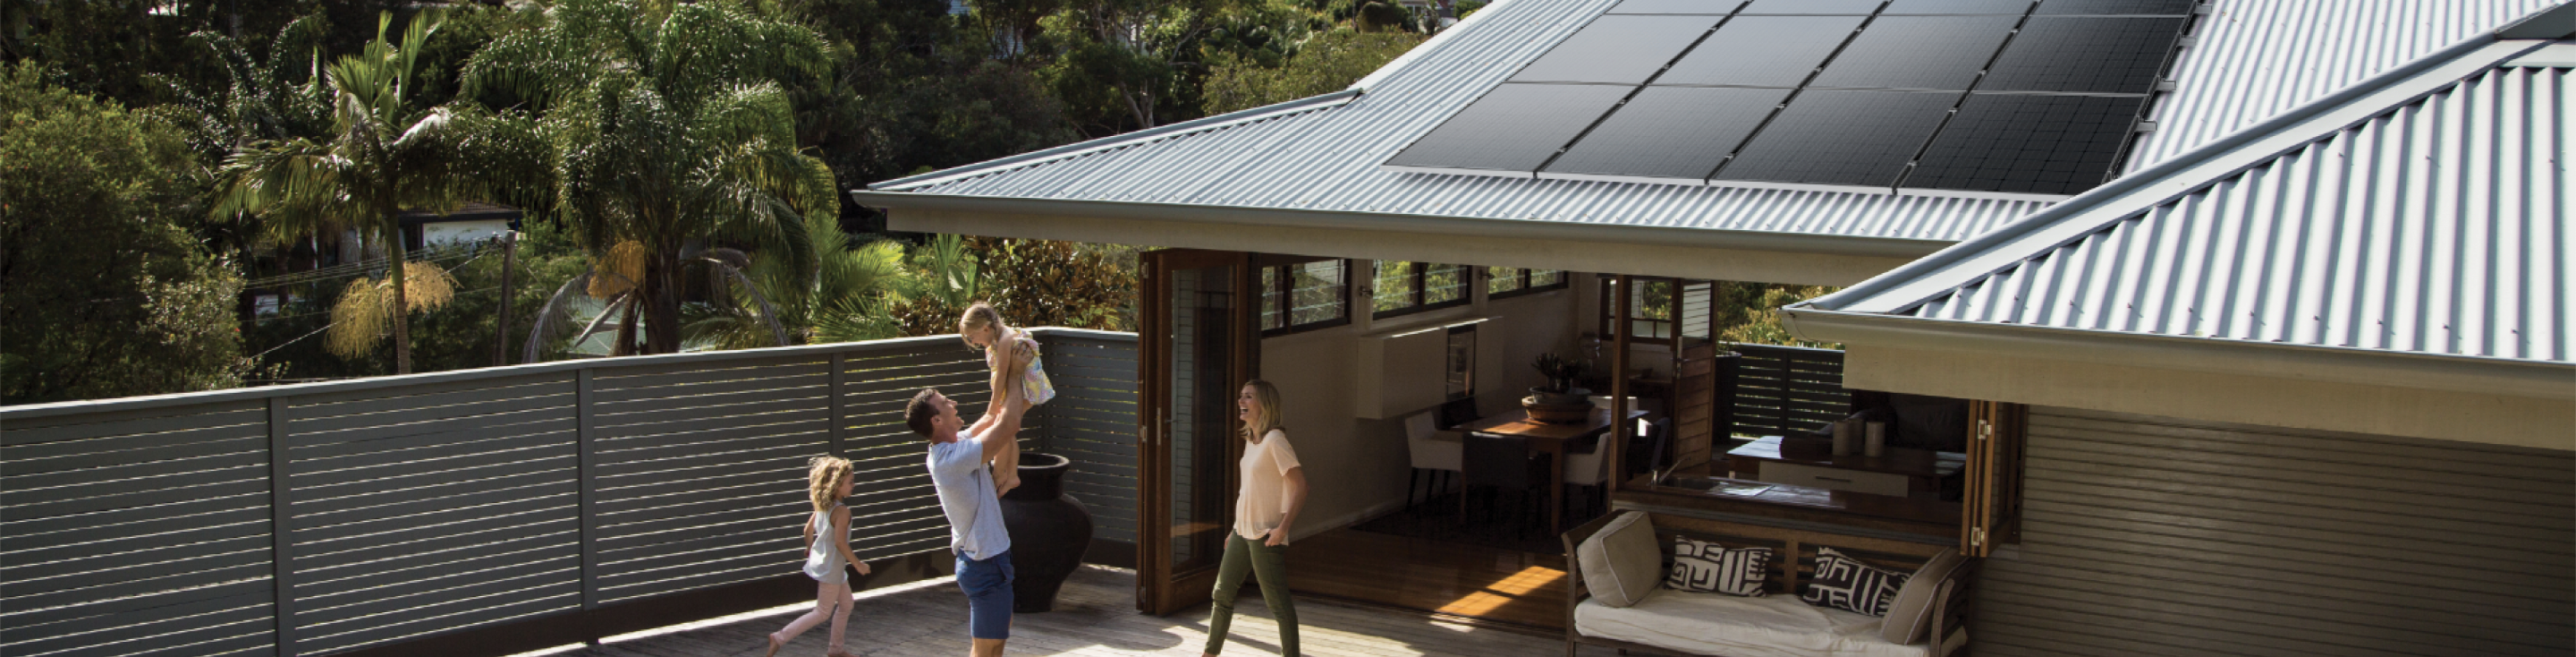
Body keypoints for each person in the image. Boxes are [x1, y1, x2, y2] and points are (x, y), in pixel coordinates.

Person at [909, 387, 1027, 657]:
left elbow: (992, 417)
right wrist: (1015, 373)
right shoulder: (952, 459)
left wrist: (1005, 379)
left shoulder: (956, 443)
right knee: (986, 649)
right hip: (984, 564)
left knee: (995, 643)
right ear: (937, 420)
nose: (953, 402)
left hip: (990, 561)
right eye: (945, 402)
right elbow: (1009, 424)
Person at [1204, 380, 1308, 657]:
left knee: (1279, 606)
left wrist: (1282, 529)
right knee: (1221, 595)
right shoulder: (1252, 440)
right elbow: (1248, 490)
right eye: (1241, 396)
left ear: (1265, 405)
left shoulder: (1275, 441)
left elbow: (1301, 486)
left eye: (1248, 397)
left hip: (1265, 535)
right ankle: (1209, 654)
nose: (1241, 401)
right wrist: (1235, 528)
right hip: (1242, 531)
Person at [766, 456, 872, 657]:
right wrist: (858, 564)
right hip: (832, 568)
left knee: (846, 604)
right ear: (837, 484)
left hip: (831, 566)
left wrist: (809, 548)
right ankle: (779, 637)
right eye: (850, 482)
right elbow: (840, 543)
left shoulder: (823, 506)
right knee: (822, 612)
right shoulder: (842, 512)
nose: (853, 485)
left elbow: (807, 530)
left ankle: (836, 649)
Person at [958, 302, 1055, 496]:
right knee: (1006, 431)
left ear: (985, 328)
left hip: (1026, 390)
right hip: (1015, 389)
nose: (974, 342)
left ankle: (998, 475)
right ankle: (1010, 475)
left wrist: (992, 406)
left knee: (1002, 427)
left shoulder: (1005, 339)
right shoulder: (997, 339)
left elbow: (1002, 374)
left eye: (973, 337)